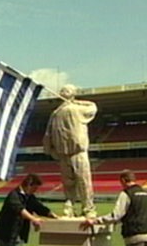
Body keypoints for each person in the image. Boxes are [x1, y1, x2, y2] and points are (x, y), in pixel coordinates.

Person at [42, 84, 97, 218]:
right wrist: (76, 101)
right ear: (72, 94)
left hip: (63, 154)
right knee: (83, 182)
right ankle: (87, 209)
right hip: (77, 152)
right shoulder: (77, 109)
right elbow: (93, 107)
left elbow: (47, 135)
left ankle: (69, 207)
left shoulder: (55, 114)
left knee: (69, 183)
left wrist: (49, 150)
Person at [81, 169, 147, 246]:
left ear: (123, 180)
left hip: (135, 235)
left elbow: (116, 215)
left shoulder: (126, 193)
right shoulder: (144, 192)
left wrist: (95, 221)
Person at [0, 173, 58, 246]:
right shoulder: (14, 195)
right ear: (29, 185)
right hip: (5, 233)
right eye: (34, 188)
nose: (35, 191)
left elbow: (39, 208)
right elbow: (20, 210)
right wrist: (34, 219)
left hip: (19, 233)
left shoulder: (30, 197)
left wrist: (53, 215)